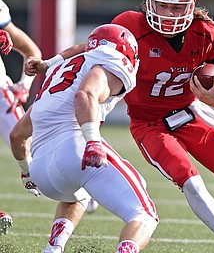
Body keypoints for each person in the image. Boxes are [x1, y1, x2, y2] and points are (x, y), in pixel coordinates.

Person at [24, 0, 214, 252]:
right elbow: (89, 47)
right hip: (149, 124)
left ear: (190, 7)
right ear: (150, 4)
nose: (169, 14)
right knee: (192, 183)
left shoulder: (205, 32)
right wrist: (49, 63)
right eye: (163, 5)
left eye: (177, 7)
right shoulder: (130, 25)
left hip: (191, 112)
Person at [10, 24, 158, 253]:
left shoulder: (57, 75)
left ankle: (54, 248)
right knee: (144, 214)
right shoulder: (111, 60)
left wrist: (26, 172)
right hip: (75, 147)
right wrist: (92, 141)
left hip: (42, 172)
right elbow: (85, 94)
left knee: (78, 192)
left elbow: (17, 135)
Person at [0, 0, 41, 236]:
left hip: (1, 96)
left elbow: (31, 51)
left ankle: (83, 192)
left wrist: (23, 86)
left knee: (38, 161)